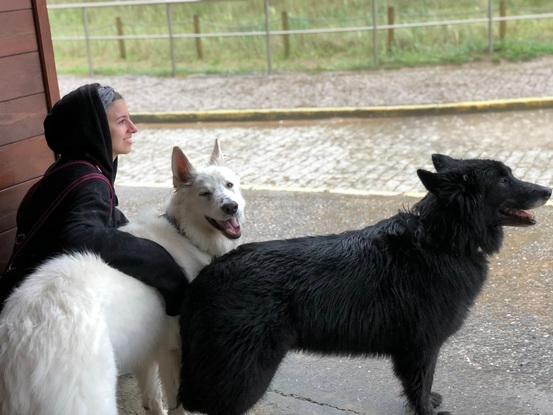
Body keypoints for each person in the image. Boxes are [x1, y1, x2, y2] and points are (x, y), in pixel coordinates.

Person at [0, 83, 188, 316]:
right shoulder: (90, 182)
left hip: (17, 289)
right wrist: (163, 266)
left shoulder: (68, 168)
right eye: (121, 122)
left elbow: (98, 216)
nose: (133, 128)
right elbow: (81, 234)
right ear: (95, 130)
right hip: (37, 308)